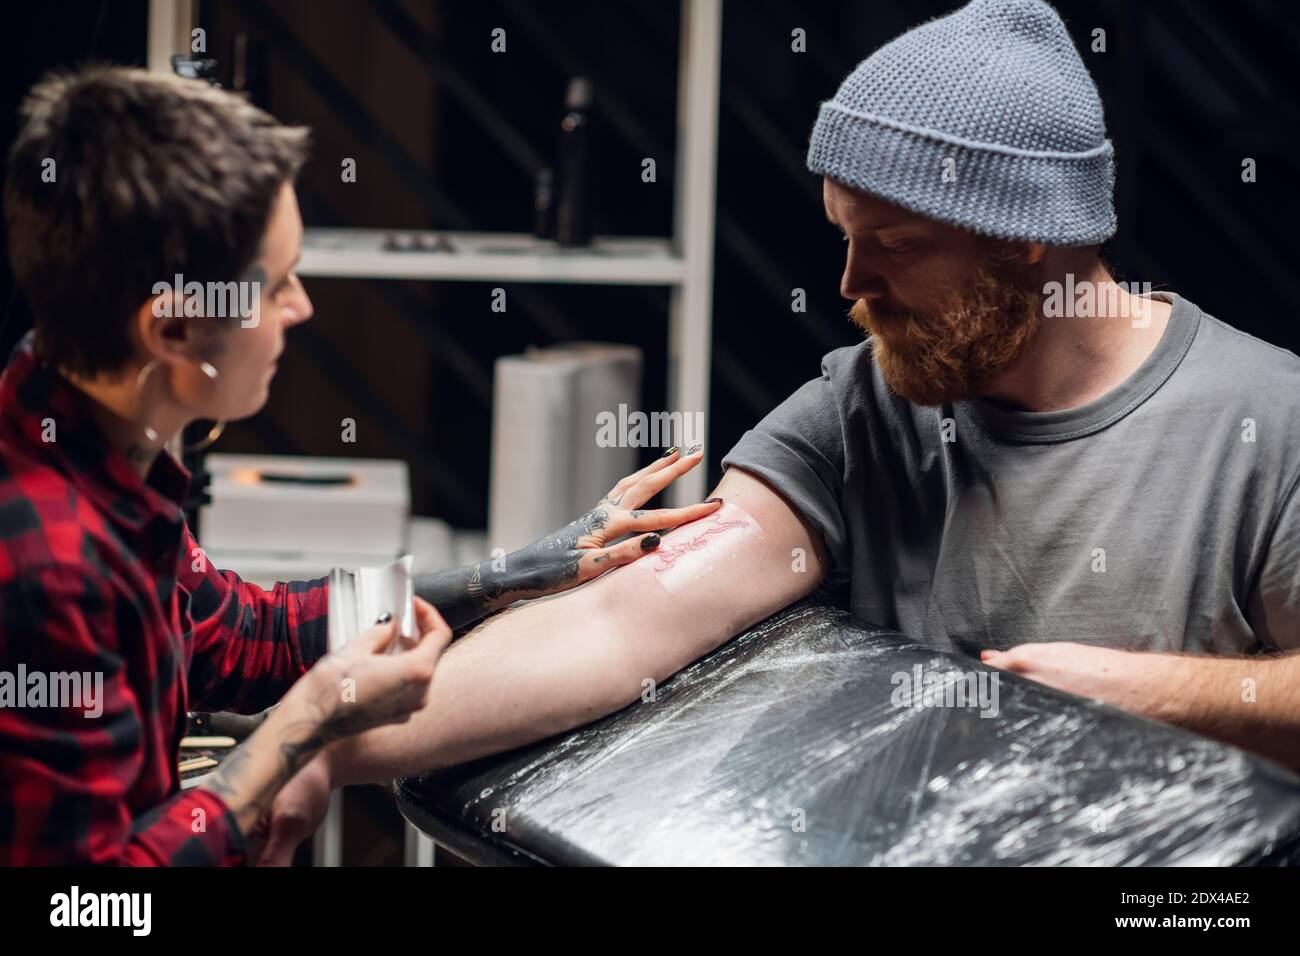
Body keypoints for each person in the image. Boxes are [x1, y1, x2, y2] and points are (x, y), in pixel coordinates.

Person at [257, 0, 1300, 862]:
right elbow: (627, 620)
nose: (852, 285)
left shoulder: (1269, 419)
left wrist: (1142, 694)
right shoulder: (866, 406)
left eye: (892, 243)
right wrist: (322, 745)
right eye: (843, 238)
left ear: (1031, 236)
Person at [0, 65, 717, 865]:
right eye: (276, 286)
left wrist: (509, 575)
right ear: (171, 333)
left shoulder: (97, 454)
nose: (301, 306)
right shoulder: (48, 564)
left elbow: (247, 634)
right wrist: (297, 733)